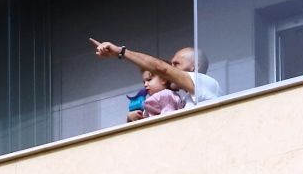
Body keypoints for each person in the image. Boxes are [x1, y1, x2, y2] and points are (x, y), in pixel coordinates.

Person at [88, 39, 222, 122]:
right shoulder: (187, 99)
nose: (171, 67)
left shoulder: (205, 83)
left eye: (176, 64)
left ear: (195, 66)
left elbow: (161, 69)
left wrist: (119, 51)